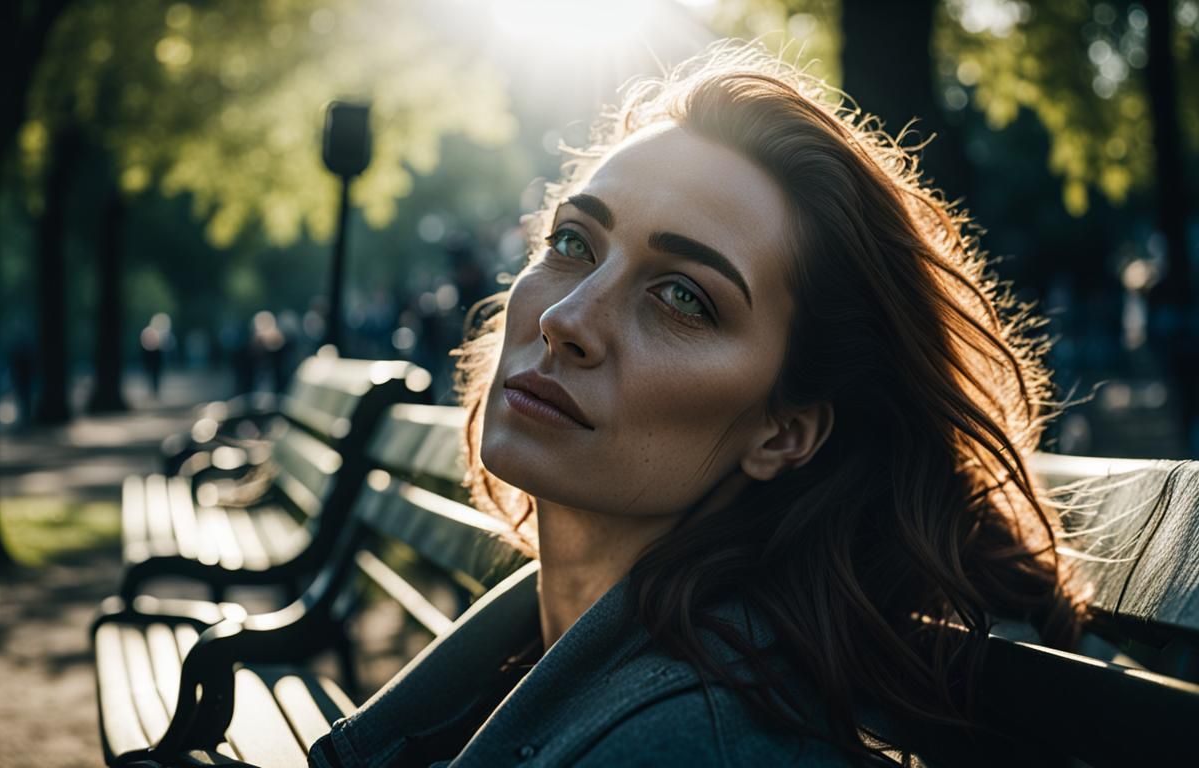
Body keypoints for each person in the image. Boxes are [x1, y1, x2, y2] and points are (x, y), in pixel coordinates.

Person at [309, 41, 1084, 767]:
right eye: (574, 243)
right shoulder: (591, 659)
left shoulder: (692, 745)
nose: (565, 319)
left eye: (683, 297)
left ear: (785, 431)